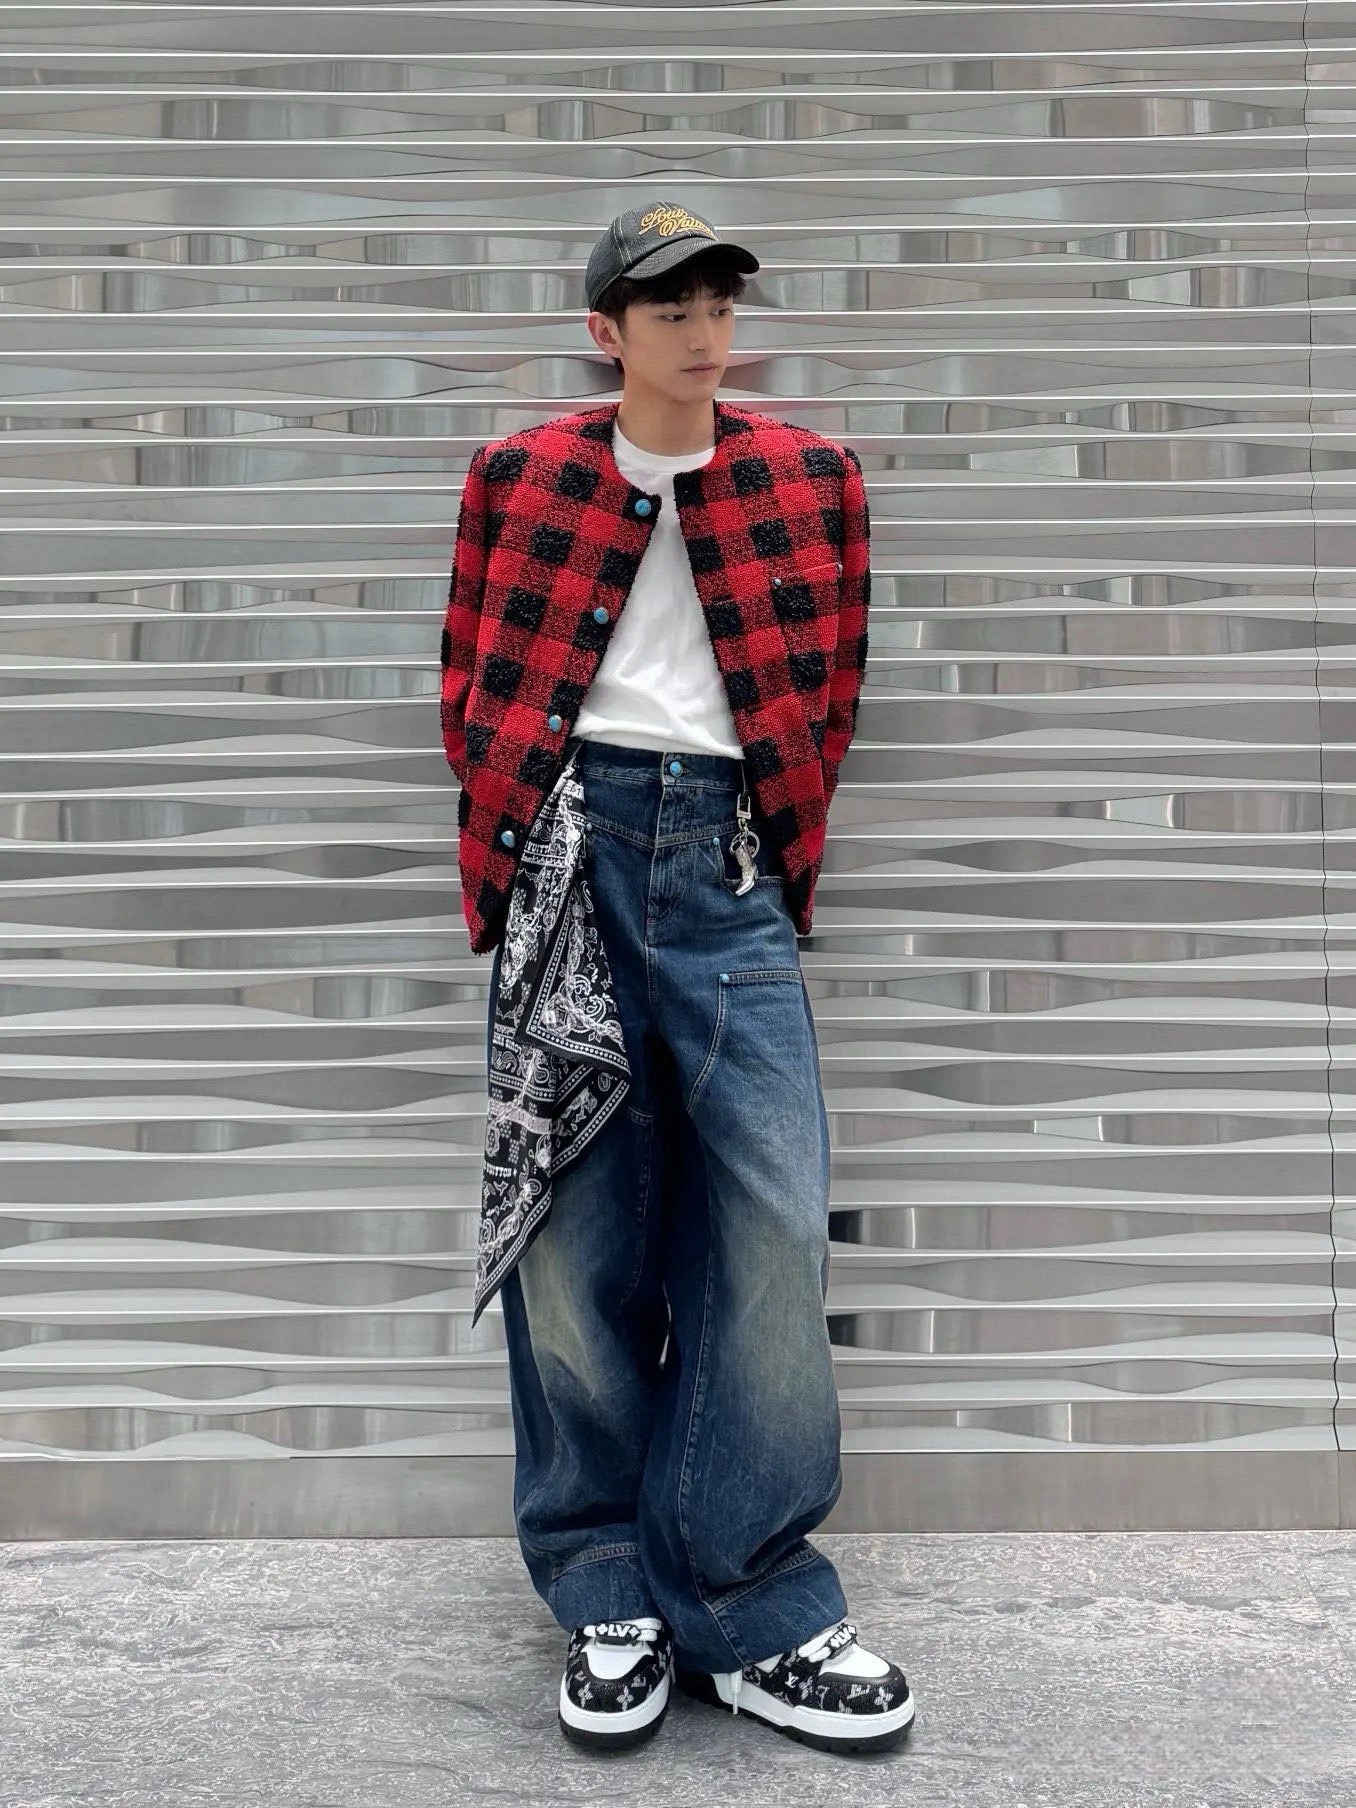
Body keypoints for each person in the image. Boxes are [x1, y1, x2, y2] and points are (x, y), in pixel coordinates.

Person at [440, 199, 914, 1758]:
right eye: (670, 310)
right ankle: (603, 1585)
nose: (705, 334)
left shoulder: (813, 479)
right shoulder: (520, 479)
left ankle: (749, 1594)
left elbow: (832, 685)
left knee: (770, 1225)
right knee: (575, 1237)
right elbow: (471, 679)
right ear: (607, 332)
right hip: (570, 858)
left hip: (729, 868)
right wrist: (522, 846)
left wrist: (768, 843)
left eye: (720, 306)